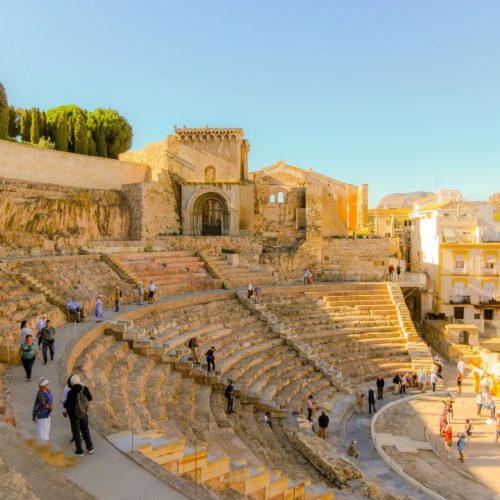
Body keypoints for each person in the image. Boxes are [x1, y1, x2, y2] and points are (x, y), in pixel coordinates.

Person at [64, 374, 94, 456]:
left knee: (76, 432)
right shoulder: (85, 389)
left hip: (74, 416)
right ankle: (90, 447)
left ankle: (80, 451)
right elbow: (90, 398)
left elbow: (67, 405)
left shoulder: (71, 392)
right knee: (86, 430)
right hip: (84, 414)